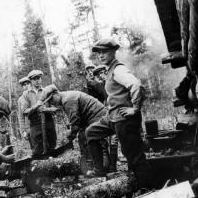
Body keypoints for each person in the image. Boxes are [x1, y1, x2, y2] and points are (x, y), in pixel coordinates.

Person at [85, 38, 154, 188]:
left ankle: (148, 188)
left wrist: (135, 108)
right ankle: (99, 170)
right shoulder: (109, 70)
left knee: (134, 157)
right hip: (113, 117)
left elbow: (136, 85)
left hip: (124, 118)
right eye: (99, 53)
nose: (101, 56)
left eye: (104, 52)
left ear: (113, 52)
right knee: (91, 133)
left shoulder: (118, 69)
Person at [39, 84, 109, 176]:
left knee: (99, 143)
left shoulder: (68, 100)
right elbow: (76, 119)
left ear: (56, 93)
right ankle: (102, 168)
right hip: (92, 118)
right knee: (88, 139)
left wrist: (71, 135)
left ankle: (103, 170)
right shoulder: (65, 98)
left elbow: (75, 123)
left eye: (52, 99)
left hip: (98, 116)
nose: (52, 103)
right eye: (50, 102)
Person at [21, 70, 57, 157]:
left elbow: (55, 108)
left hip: (48, 121)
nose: (37, 80)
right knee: (37, 150)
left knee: (52, 145)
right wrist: (35, 107)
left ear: (41, 79)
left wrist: (46, 109)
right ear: (31, 81)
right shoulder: (26, 94)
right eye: (34, 79)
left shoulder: (47, 91)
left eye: (38, 78)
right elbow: (24, 111)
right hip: (35, 123)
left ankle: (53, 166)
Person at [93, 65, 118, 172]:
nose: (101, 76)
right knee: (108, 141)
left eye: (102, 73)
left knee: (115, 141)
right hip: (108, 115)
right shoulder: (102, 85)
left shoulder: (115, 80)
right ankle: (110, 166)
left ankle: (113, 166)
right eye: (98, 75)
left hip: (119, 113)